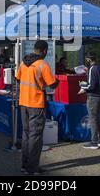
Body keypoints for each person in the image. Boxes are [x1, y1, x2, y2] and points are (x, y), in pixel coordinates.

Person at [16, 40, 59, 175]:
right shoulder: (42, 65)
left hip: (24, 103)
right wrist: (56, 81)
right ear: (44, 51)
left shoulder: (24, 62)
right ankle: (32, 168)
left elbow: (17, 78)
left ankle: (25, 165)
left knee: (26, 134)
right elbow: (52, 84)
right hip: (36, 104)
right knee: (35, 137)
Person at [79, 52, 100, 149]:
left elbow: (91, 85)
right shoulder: (99, 67)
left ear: (88, 59)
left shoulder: (92, 68)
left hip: (93, 96)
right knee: (97, 118)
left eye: (86, 59)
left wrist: (83, 86)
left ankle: (94, 142)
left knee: (93, 119)